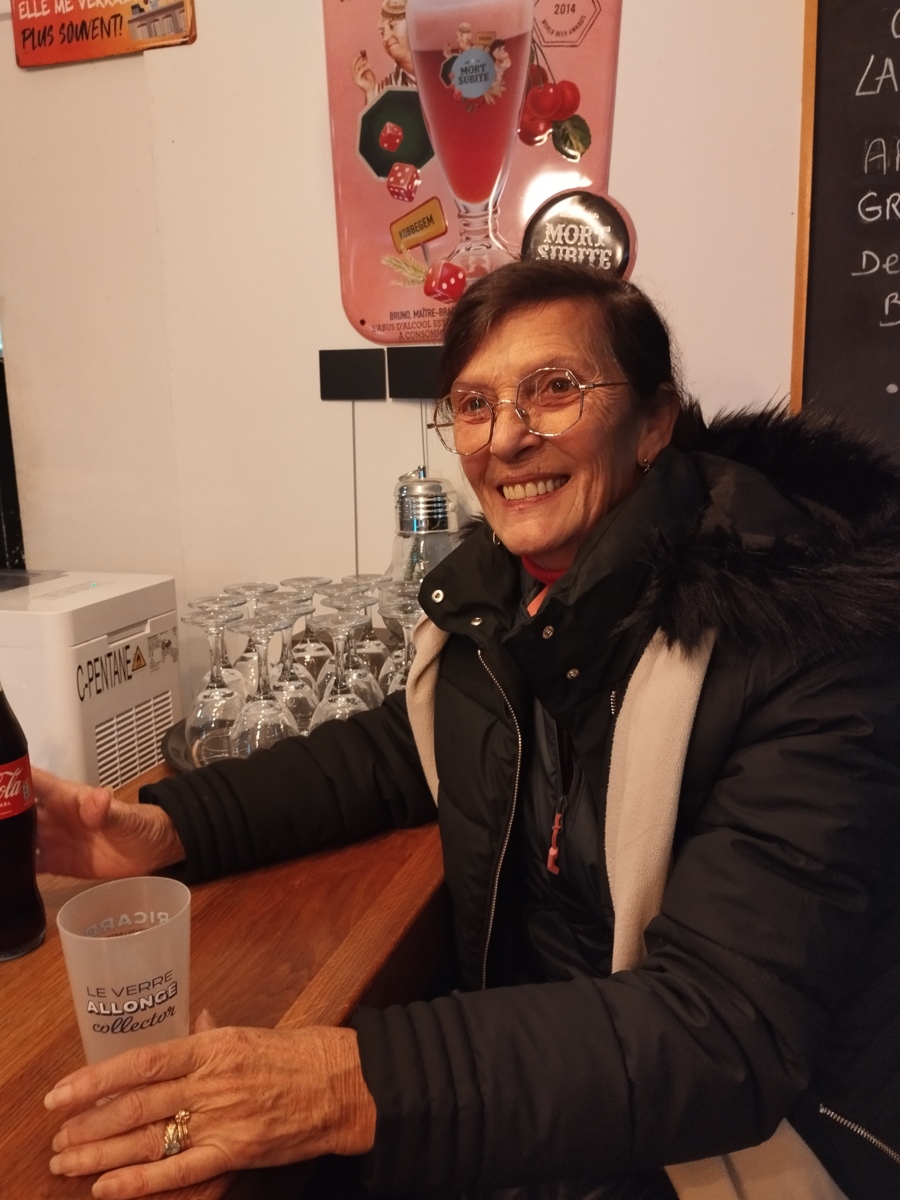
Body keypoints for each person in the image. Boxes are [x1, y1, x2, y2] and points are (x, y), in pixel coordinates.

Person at [38, 260, 900, 1200]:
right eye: (475, 405)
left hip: (752, 1144)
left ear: (655, 422)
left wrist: (343, 1082)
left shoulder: (805, 642)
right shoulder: (510, 596)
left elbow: (721, 1035)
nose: (506, 439)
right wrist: (169, 826)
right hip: (562, 1074)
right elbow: (401, 747)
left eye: (555, 389)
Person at [351, 0, 416, 108]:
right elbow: (376, 119)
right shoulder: (382, 92)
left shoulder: (441, 67)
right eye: (382, 32)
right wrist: (370, 92)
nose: (385, 38)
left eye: (392, 26)